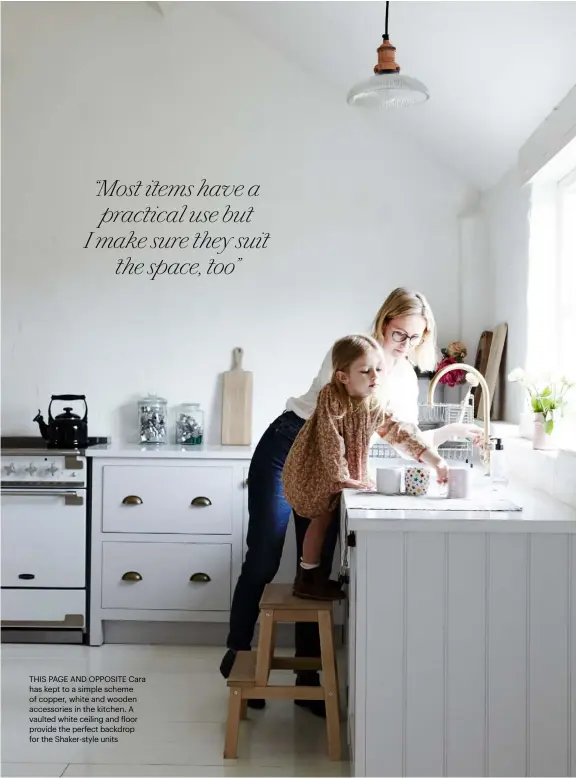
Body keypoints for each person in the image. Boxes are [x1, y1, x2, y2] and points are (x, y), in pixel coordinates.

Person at [220, 287, 481, 716]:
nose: (405, 345)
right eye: (399, 334)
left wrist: (444, 443)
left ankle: (308, 676)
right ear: (383, 322)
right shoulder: (354, 350)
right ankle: (238, 652)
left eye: (416, 338)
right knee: (265, 555)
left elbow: (399, 433)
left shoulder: (403, 376)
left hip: (332, 460)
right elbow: (339, 415)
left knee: (316, 565)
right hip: (289, 446)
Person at [283, 334, 449, 601]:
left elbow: (399, 432)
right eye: (365, 370)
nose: (375, 376)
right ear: (343, 377)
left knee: (328, 522)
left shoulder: (374, 403)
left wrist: (434, 460)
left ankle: (315, 578)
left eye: (379, 369)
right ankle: (307, 579)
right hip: (316, 469)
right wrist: (342, 476)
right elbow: (330, 438)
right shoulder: (332, 398)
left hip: (340, 473)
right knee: (319, 520)